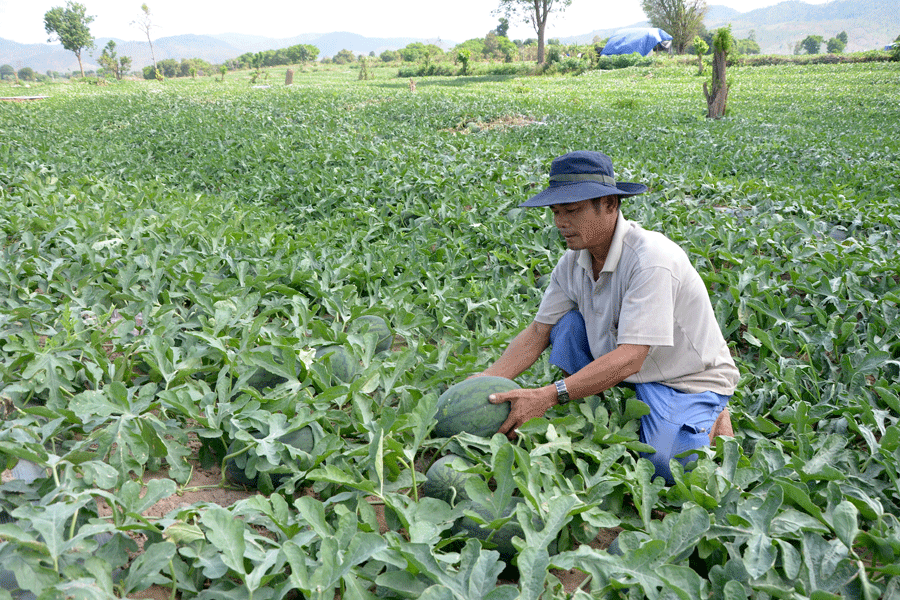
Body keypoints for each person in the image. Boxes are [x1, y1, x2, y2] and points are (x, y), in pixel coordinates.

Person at [476, 150, 739, 484]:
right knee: (566, 325)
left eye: (571, 210)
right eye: (556, 212)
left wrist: (548, 395)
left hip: (683, 381)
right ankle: (601, 398)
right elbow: (537, 333)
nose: (560, 222)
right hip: (630, 371)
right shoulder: (573, 263)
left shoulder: (651, 259)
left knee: (668, 467)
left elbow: (631, 357)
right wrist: (483, 383)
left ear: (611, 204)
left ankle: (711, 410)